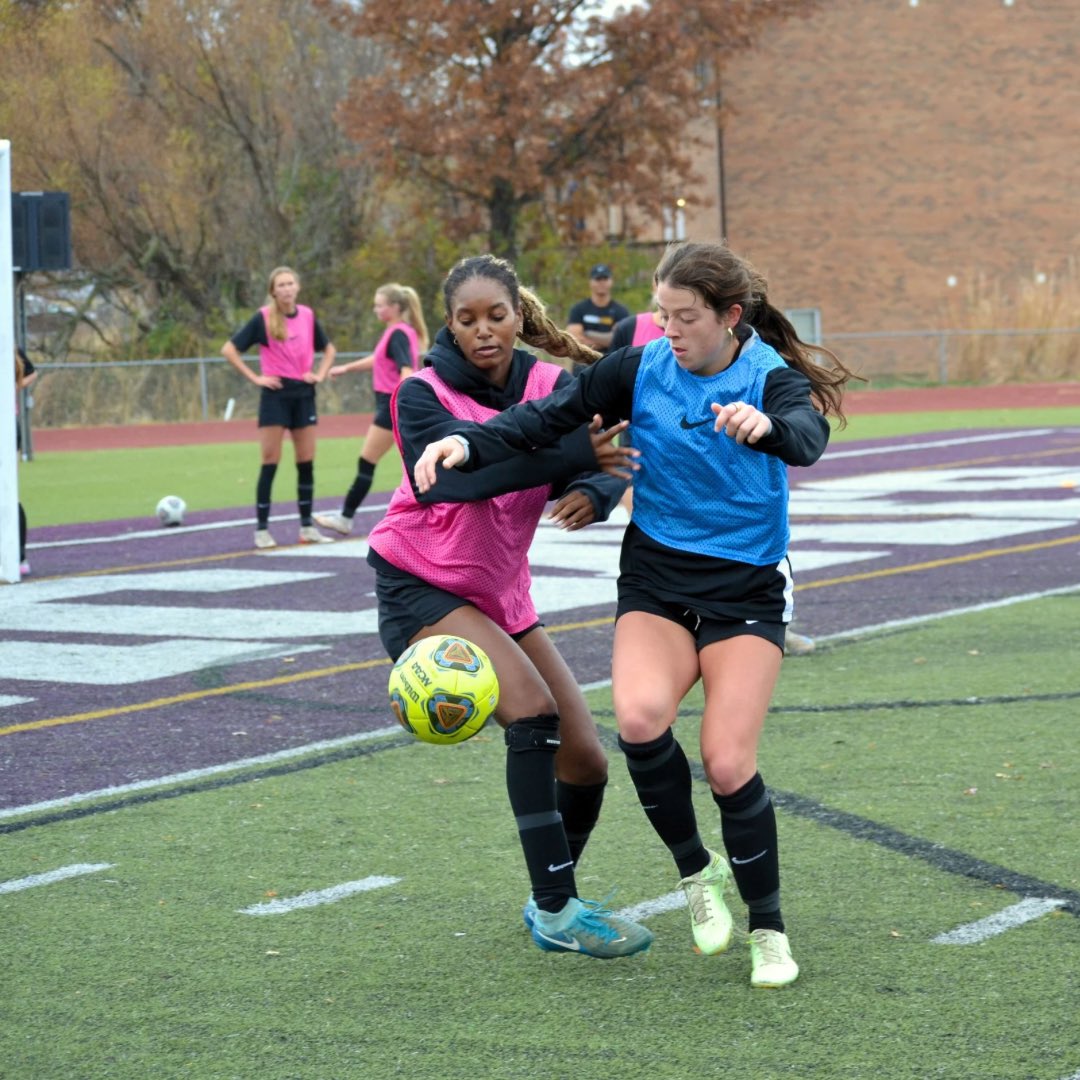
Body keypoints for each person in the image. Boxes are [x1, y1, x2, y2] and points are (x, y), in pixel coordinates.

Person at [413, 241, 857, 987]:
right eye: (661, 314)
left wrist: (768, 429)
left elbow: (807, 438)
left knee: (725, 762)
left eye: (686, 318)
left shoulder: (766, 379)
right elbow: (543, 419)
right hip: (656, 579)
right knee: (642, 722)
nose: (669, 329)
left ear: (730, 317)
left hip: (746, 590)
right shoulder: (639, 367)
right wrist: (464, 439)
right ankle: (695, 873)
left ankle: (770, 932)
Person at [366, 253, 652, 959]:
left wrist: (600, 488)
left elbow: (608, 445)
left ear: (519, 316)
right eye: (467, 320)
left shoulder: (552, 383)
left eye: (497, 316)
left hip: (500, 594)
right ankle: (557, 910)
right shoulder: (419, 392)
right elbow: (452, 486)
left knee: (586, 761)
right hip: (420, 583)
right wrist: (564, 461)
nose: (484, 331)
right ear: (450, 325)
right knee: (531, 711)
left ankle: (551, 895)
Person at [221, 266, 337, 549]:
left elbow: (329, 349)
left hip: (303, 393)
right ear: (273, 291)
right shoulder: (263, 318)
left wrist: (319, 375)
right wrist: (256, 377)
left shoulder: (307, 315)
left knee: (306, 461)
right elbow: (229, 349)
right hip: (275, 395)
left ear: (297, 287)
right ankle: (261, 530)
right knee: (270, 460)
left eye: (290, 283)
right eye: (281, 285)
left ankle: (307, 527)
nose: (286, 289)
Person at [313, 284, 429, 537]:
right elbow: (378, 360)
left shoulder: (398, 332)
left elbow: (406, 369)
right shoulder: (397, 332)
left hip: (391, 406)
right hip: (392, 405)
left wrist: (404, 402)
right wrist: (346, 369)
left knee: (370, 461)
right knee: (411, 463)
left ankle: (345, 518)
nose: (376, 309)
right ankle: (426, 514)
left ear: (395, 307)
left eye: (380, 305)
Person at [566, 264, 630, 363]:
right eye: (598, 279)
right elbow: (574, 340)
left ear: (611, 281)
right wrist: (606, 340)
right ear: (590, 282)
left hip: (611, 364)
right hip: (583, 364)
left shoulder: (621, 311)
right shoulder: (578, 309)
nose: (602, 282)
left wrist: (587, 335)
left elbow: (621, 340)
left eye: (605, 278)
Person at [14, 346, 36, 576]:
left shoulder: (10, 349)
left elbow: (32, 372)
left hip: (7, 426)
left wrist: (16, 385)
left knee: (8, 492)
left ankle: (19, 556)